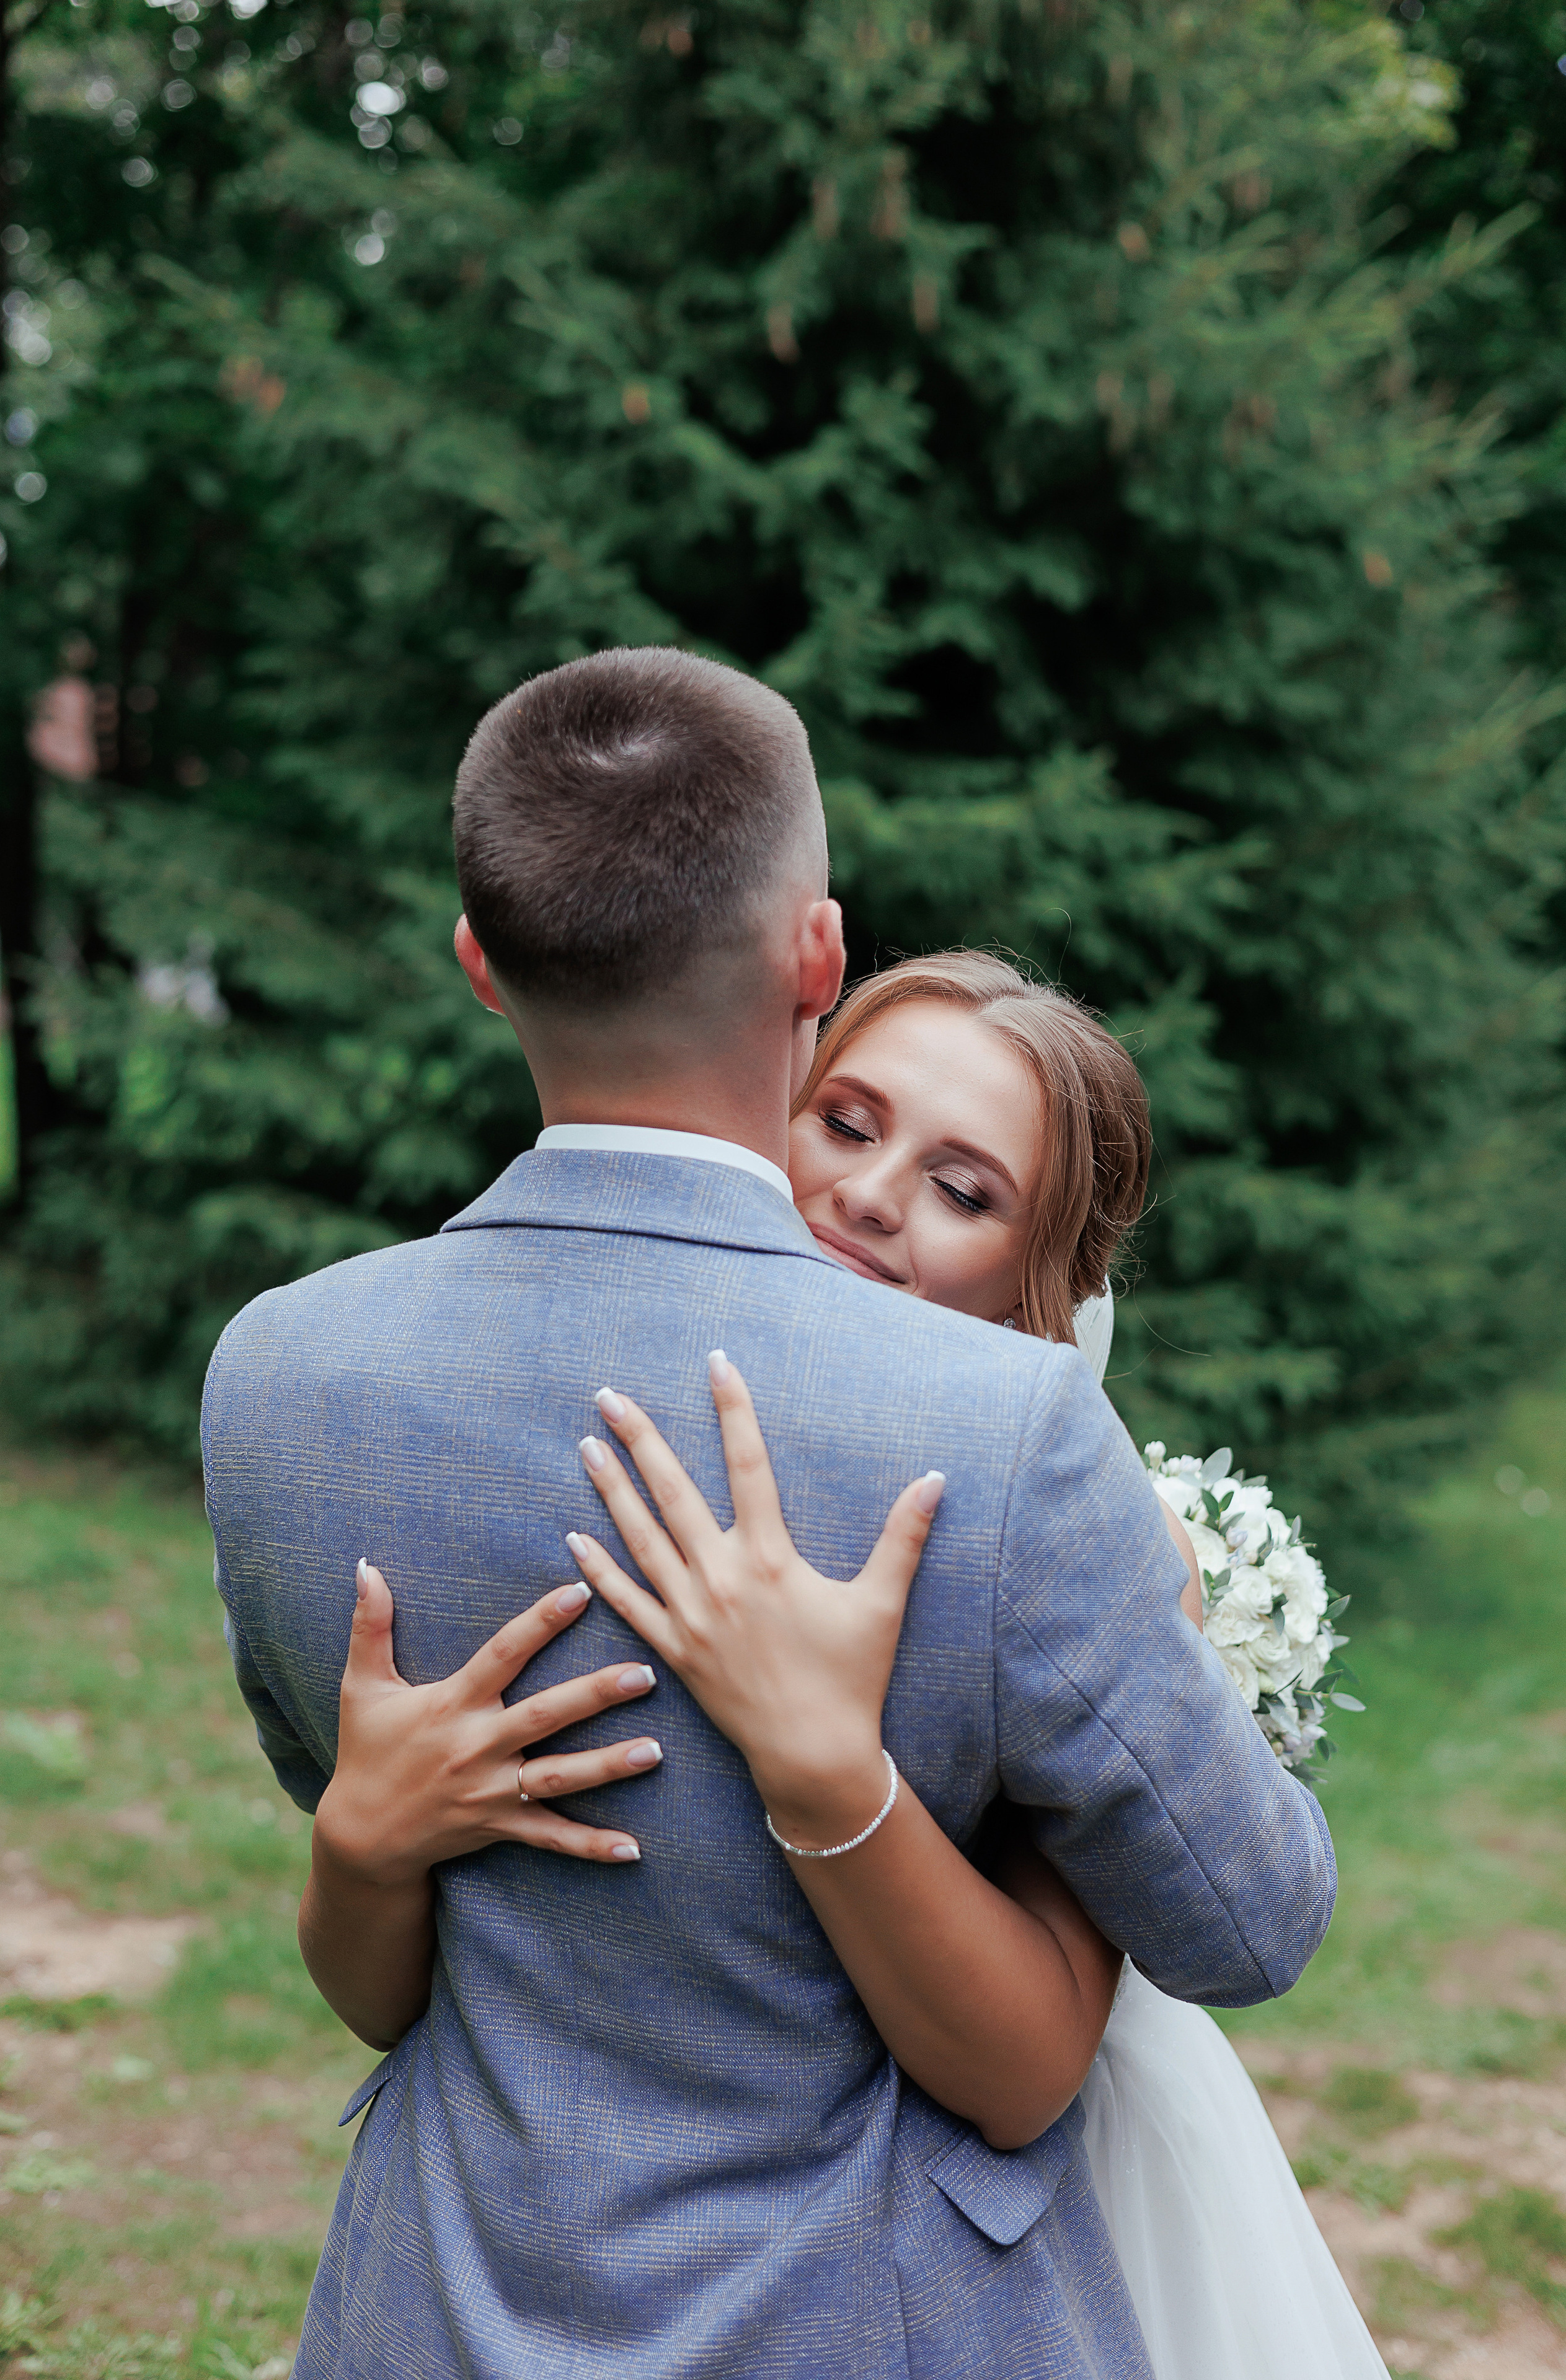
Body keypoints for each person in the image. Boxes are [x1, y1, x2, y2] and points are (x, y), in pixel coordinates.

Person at [203, 647, 1336, 2378]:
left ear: (481, 965)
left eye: (962, 1187)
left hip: (428, 2314)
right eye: (856, 1127)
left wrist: (836, 1775)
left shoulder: (277, 1377)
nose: (878, 1200)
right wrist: (367, 1844)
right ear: (819, 958)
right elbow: (1254, 1922)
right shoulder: (1007, 1444)